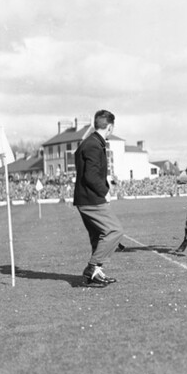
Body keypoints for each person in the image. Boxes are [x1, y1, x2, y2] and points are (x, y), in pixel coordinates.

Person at [73, 109, 125, 287]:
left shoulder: (91, 142)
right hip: (91, 199)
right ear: (110, 127)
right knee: (114, 230)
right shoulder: (94, 144)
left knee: (98, 236)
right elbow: (91, 177)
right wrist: (105, 190)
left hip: (85, 198)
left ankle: (94, 274)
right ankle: (92, 267)